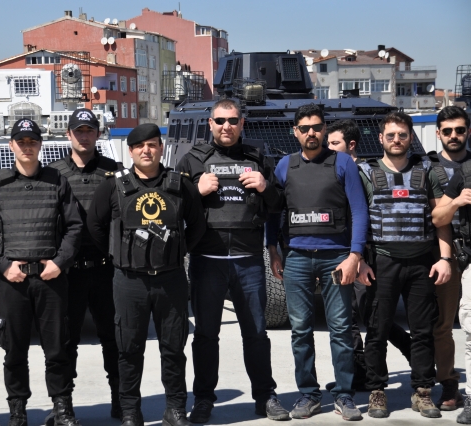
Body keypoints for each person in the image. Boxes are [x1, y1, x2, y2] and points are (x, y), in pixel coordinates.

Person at [174, 99, 288, 422]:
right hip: (206, 261)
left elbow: (279, 204)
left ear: (242, 123)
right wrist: (195, 191)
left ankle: (265, 397)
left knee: (256, 334)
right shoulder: (192, 160)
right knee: (206, 335)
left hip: (248, 261)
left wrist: (265, 187)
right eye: (221, 120)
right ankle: (204, 400)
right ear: (210, 123)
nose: (227, 126)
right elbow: (173, 208)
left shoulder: (257, 158)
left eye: (233, 120)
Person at [87, 124, 206, 426]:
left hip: (171, 279)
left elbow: (197, 225)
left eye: (152, 144)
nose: (146, 150)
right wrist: (117, 254)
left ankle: (175, 409)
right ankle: (130, 411)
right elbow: (95, 226)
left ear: (161, 148)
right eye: (140, 146)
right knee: (128, 349)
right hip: (129, 281)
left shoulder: (180, 185)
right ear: (130, 151)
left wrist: (177, 252)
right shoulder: (113, 186)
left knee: (174, 348)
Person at [0, 118, 83, 426]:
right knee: (14, 351)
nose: (27, 147)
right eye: (21, 142)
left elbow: (74, 226)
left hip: (50, 278)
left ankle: (62, 408)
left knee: (58, 349)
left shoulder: (57, 180)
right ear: (11, 145)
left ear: (40, 145)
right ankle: (18, 411)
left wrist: (59, 263)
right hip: (13, 280)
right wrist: (3, 266)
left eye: (32, 141)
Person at [265, 103, 367, 421]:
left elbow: (359, 210)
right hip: (296, 258)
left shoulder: (342, 163)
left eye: (317, 127)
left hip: (336, 258)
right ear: (295, 132)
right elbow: (274, 212)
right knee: (300, 330)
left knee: (341, 329)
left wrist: (354, 256)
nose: (311, 132)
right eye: (305, 128)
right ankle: (308, 394)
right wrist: (272, 250)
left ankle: (344, 395)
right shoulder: (285, 166)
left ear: (324, 129)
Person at [358, 111, 452, 419]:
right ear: (381, 138)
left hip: (422, 262)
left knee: (423, 331)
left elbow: (441, 219)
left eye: (402, 135)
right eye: (391, 135)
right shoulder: (366, 173)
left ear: (411, 137)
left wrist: (444, 258)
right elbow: (357, 220)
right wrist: (360, 261)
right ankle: (377, 391)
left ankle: (422, 391)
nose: (396, 140)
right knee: (377, 329)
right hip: (382, 261)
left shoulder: (427, 171)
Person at [326, 119, 412, 390]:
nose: (329, 148)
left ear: (351, 145)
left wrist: (360, 257)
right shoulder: (333, 171)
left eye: (334, 143)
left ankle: (413, 353)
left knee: (372, 316)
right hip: (339, 252)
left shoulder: (364, 173)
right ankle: (359, 373)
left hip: (364, 256)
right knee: (348, 317)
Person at [48, 109, 122, 419]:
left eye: (90, 130)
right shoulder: (53, 173)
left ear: (98, 134)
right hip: (68, 272)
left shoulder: (114, 171)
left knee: (114, 339)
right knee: (65, 343)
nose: (84, 136)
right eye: (78, 130)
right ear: (68, 134)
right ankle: (63, 406)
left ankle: (121, 400)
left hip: (106, 269)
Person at [427, 106, 471, 412]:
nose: (453, 135)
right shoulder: (427, 166)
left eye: (459, 130)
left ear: (468, 131)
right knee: (441, 325)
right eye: (447, 130)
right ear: (438, 133)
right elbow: (435, 216)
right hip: (441, 254)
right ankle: (448, 384)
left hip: (468, 254)